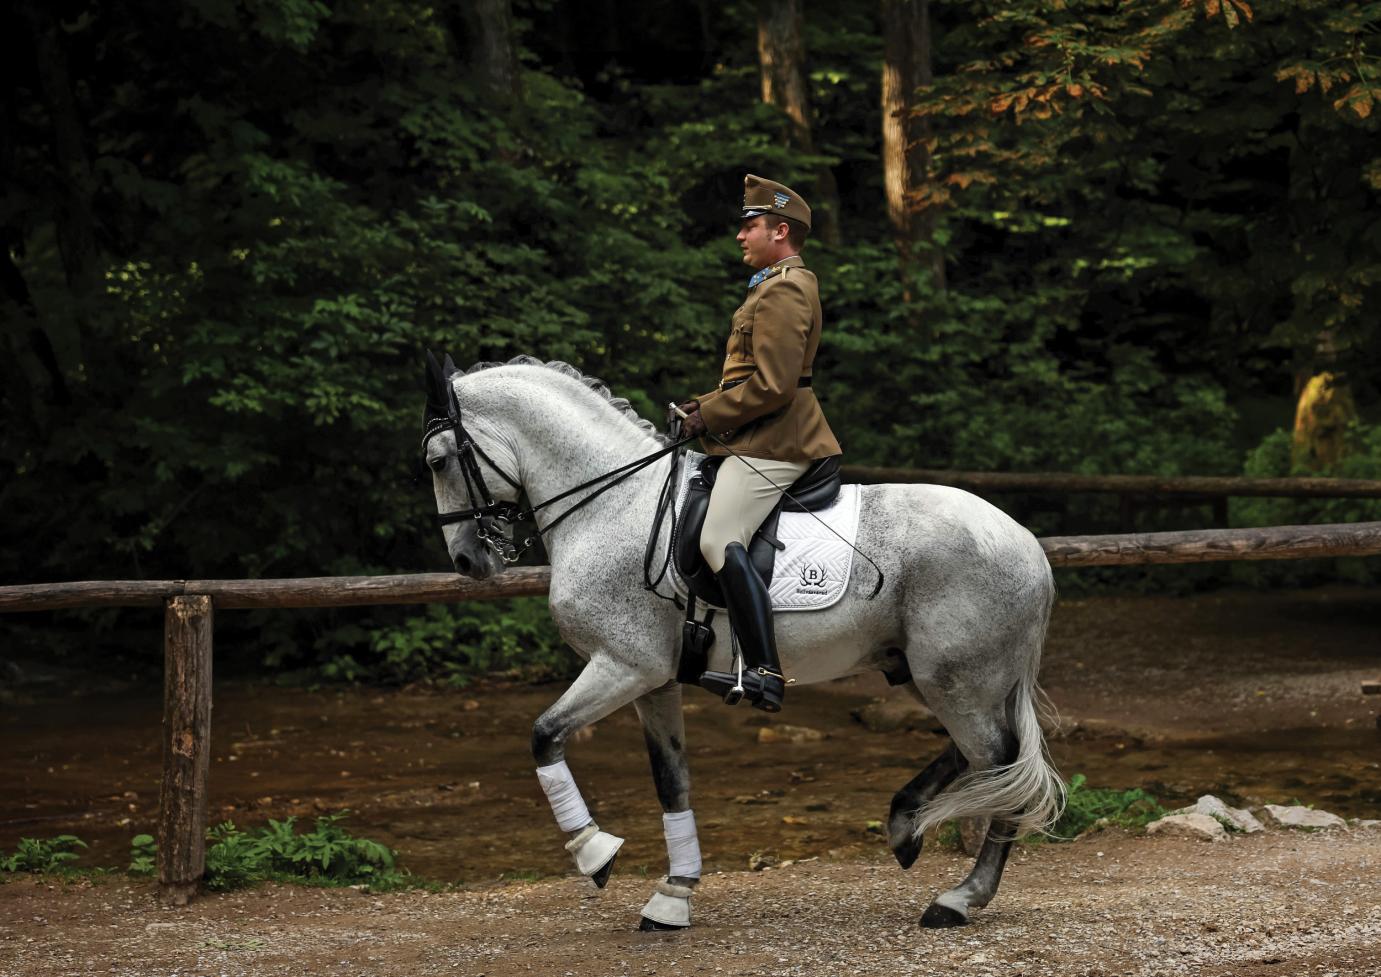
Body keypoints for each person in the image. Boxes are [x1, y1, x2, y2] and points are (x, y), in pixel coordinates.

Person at [678, 174, 842, 712]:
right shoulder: (770, 286)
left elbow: (774, 386)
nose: (741, 236)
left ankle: (766, 670)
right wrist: (706, 407)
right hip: (753, 435)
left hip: (779, 441)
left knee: (717, 537)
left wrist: (710, 415)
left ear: (781, 231)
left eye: (751, 226)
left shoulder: (787, 288)